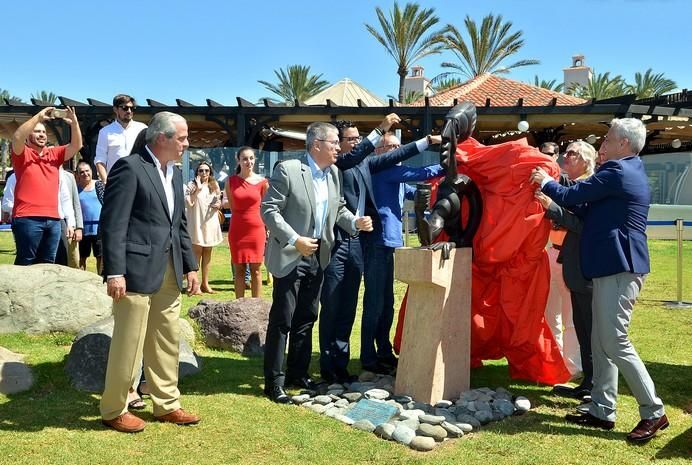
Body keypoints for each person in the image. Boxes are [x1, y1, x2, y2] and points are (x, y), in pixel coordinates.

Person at [530, 118, 668, 443]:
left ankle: (653, 411)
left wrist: (545, 181)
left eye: (607, 139)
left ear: (623, 144)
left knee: (614, 341)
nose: (601, 145)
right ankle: (602, 410)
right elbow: (586, 213)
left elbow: (574, 194)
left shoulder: (618, 171)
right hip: (611, 267)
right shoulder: (624, 172)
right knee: (600, 342)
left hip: (619, 267)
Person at [100, 111, 200, 433]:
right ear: (162, 138)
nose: (186, 144)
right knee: (129, 341)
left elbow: (179, 225)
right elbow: (113, 225)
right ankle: (115, 408)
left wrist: (191, 266)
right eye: (182, 138)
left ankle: (167, 404)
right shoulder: (129, 168)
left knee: (167, 339)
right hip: (134, 272)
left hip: (170, 271)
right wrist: (114, 271)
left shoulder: (176, 173)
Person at [261, 122, 373, 404]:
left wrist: (354, 222)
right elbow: (269, 210)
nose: (339, 147)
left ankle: (299, 374)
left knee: (307, 318)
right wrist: (294, 239)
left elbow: (337, 210)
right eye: (335, 142)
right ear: (316, 145)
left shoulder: (333, 173)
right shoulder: (288, 170)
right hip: (290, 254)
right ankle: (274, 382)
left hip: (318, 255)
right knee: (282, 320)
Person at [359, 132, 445, 374]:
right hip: (378, 242)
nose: (396, 151)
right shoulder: (384, 171)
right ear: (377, 150)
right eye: (390, 147)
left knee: (386, 302)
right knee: (375, 302)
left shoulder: (393, 175)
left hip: (390, 243)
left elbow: (414, 190)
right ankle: (368, 357)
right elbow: (422, 174)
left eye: (398, 146)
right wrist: (452, 160)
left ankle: (383, 352)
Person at [546, 141, 598, 400]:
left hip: (575, 261)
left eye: (572, 153)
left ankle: (577, 369)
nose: (565, 157)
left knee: (576, 320)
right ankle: (558, 366)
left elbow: (579, 223)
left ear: (587, 160)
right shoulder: (567, 184)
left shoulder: (588, 188)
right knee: (554, 314)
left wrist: (550, 206)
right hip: (554, 254)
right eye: (564, 152)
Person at [10, 107, 82, 265]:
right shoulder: (22, 155)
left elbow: (76, 146)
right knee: (26, 263)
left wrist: (74, 123)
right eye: (37, 131)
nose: (42, 134)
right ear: (28, 137)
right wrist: (38, 117)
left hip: (54, 220)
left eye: (43, 132)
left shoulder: (54, 155)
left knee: (48, 265)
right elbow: (17, 137)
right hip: (27, 218)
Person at [539, 142, 580, 379]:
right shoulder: (552, 185)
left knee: (571, 315)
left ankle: (573, 366)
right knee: (550, 312)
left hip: (571, 255)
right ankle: (554, 361)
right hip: (550, 252)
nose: (553, 158)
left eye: (552, 155)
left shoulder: (581, 185)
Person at [225, 147, 269, 298]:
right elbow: (232, 205)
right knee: (239, 270)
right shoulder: (230, 181)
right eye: (244, 159)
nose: (248, 162)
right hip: (237, 228)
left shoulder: (263, 182)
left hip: (256, 229)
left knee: (256, 269)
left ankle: (256, 309)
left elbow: (266, 207)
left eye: (251, 158)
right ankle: (239, 307)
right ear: (238, 160)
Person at [185, 161, 223, 294]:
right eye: (201, 170)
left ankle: (205, 284)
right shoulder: (192, 185)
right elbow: (189, 203)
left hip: (210, 222)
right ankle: (194, 285)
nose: (204, 173)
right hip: (197, 223)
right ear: (197, 172)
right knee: (196, 253)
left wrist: (218, 204)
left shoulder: (214, 185)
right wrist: (198, 189)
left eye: (206, 171)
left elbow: (219, 200)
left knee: (208, 252)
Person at [94, 94, 147, 184]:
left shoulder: (143, 129)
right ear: (115, 109)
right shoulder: (105, 132)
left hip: (140, 181)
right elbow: (100, 160)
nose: (129, 111)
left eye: (132, 108)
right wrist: (106, 182)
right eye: (125, 108)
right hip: (116, 182)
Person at [76, 161, 105, 272]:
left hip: (99, 229)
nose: (85, 174)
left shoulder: (100, 185)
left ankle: (100, 281)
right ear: (78, 174)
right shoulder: (75, 189)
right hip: (83, 230)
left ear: (91, 171)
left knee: (100, 258)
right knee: (82, 257)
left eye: (87, 171)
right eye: (82, 172)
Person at [55, 167, 83, 268]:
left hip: (69, 224)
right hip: (53, 221)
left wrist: (78, 227)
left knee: (73, 259)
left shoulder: (69, 176)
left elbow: (76, 203)